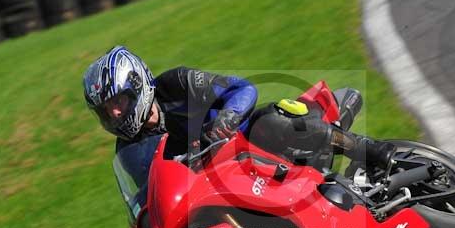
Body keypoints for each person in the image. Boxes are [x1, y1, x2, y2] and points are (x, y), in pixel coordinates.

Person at [83, 46, 396, 194]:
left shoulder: (178, 83)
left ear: (137, 85)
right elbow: (153, 194)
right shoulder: (129, 150)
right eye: (105, 109)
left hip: (252, 140)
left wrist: (226, 121)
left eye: (118, 102)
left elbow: (242, 89)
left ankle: (372, 151)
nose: (114, 114)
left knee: (273, 121)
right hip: (221, 180)